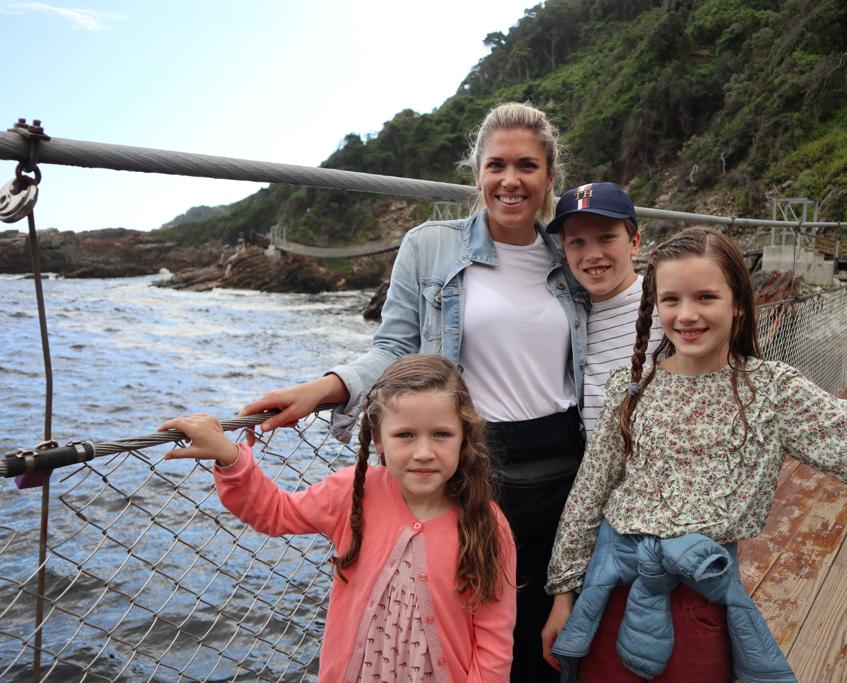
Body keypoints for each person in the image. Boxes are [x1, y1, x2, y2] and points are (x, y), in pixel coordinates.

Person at [542, 227, 847, 682]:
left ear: (738, 304)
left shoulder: (770, 392)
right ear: (655, 305)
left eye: (705, 297)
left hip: (699, 600)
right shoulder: (631, 390)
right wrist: (564, 593)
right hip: (611, 591)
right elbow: (590, 493)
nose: (686, 315)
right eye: (671, 299)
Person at [241, 102, 589, 682]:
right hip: (466, 464)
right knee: (453, 637)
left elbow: (615, 325)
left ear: (550, 175)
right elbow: (395, 348)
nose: (511, 180)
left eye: (527, 166)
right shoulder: (429, 247)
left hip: (562, 469)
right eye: (496, 165)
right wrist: (326, 388)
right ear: (477, 173)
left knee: (545, 645)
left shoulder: (571, 253)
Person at [160, 355, 517, 682]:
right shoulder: (353, 492)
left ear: (464, 438)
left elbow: (494, 640)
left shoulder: (487, 523)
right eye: (405, 435)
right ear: (379, 439)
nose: (424, 452)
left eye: (441, 434)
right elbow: (275, 512)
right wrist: (228, 456)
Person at [544, 181, 663, 436]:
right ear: (564, 251)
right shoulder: (563, 318)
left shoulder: (666, 305)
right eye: (577, 242)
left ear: (634, 242)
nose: (592, 254)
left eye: (606, 237)